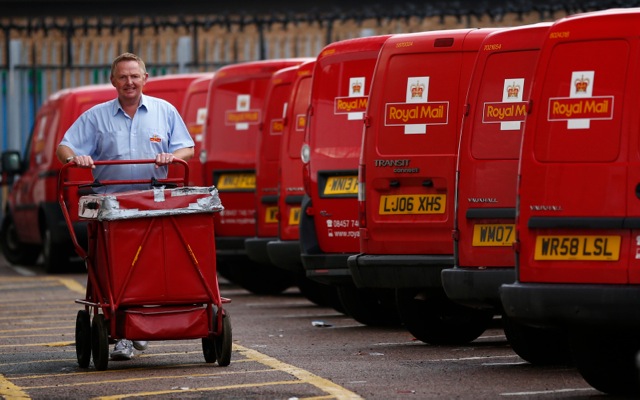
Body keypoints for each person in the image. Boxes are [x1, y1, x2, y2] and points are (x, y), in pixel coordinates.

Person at [56, 52, 195, 360]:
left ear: (145, 79)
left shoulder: (165, 111)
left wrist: (173, 156)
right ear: (113, 81)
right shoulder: (96, 116)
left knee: (152, 267)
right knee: (116, 271)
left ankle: (144, 325)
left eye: (135, 76)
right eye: (123, 76)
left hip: (153, 203)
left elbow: (187, 147)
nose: (129, 82)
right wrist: (74, 158)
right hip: (111, 208)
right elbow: (64, 146)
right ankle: (125, 336)